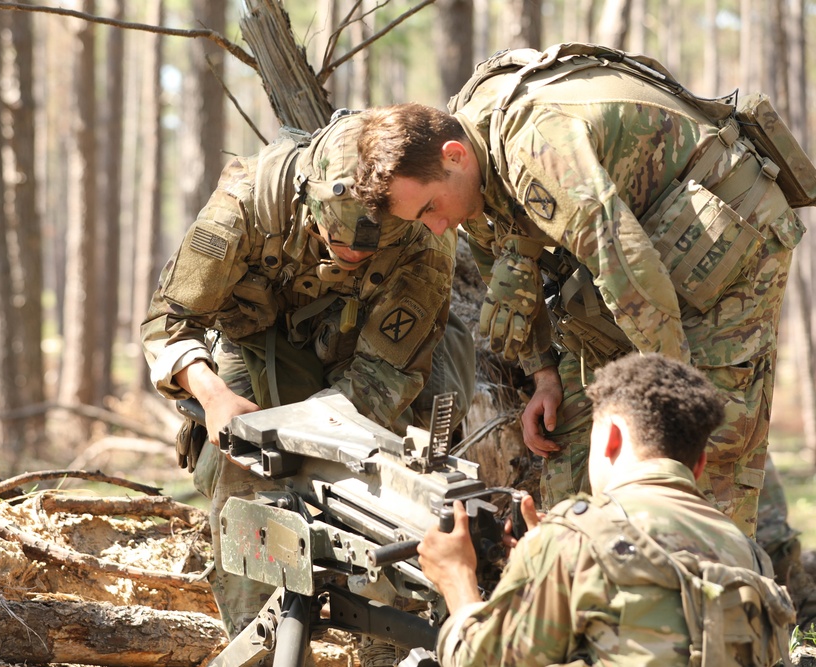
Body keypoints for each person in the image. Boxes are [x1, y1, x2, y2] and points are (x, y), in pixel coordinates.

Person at [352, 43, 807, 541]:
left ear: (454, 156)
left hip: (725, 237)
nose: (437, 228)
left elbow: (626, 265)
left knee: (707, 440)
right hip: (635, 264)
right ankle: (586, 591)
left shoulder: (535, 146)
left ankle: (715, 597)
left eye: (430, 209)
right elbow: (504, 264)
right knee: (570, 435)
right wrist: (545, 376)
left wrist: (673, 400)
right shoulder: (471, 169)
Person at [140, 111, 477, 648]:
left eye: (368, 253)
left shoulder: (422, 234)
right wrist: (215, 397)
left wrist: (315, 441)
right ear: (309, 204)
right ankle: (258, 639)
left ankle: (398, 638)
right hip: (261, 340)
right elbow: (168, 322)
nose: (352, 259)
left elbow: (383, 376)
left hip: (383, 358)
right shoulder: (248, 201)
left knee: (399, 484)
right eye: (339, 245)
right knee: (243, 465)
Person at [417, 352, 795, 666]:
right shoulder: (747, 553)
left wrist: (456, 579)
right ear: (698, 465)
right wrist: (537, 561)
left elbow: (480, 660)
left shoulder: (575, 536)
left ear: (611, 437)